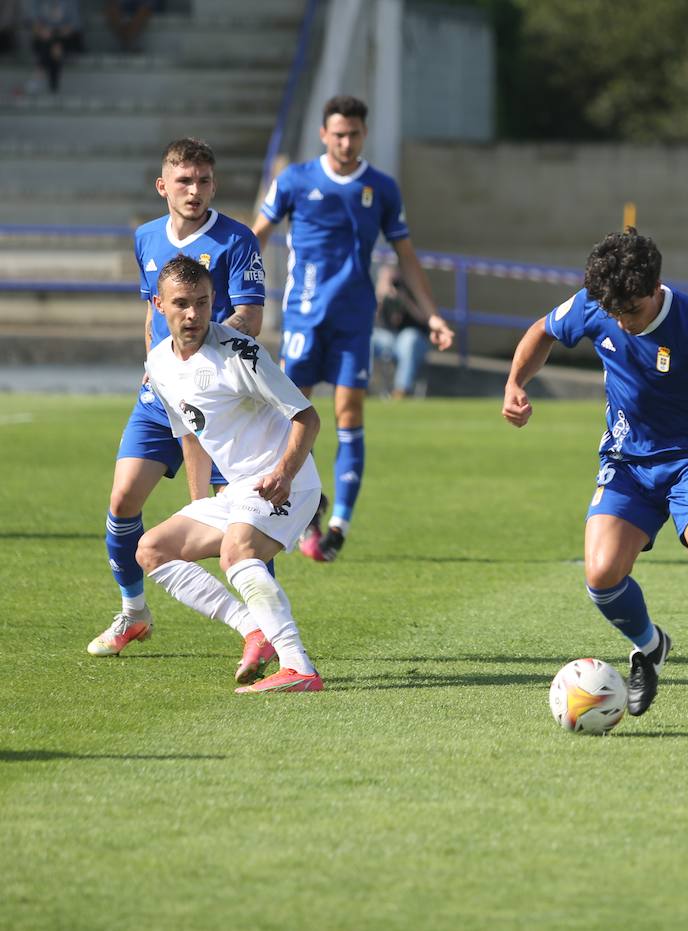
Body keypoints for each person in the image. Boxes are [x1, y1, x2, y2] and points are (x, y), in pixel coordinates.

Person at [503, 228, 688, 740]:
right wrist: (516, 383)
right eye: (612, 312)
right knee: (602, 576)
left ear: (655, 288)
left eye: (629, 311)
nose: (620, 322)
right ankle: (650, 647)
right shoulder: (599, 302)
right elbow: (541, 331)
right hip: (627, 462)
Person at [252, 94, 455, 562]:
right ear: (324, 134)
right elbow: (257, 235)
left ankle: (340, 521)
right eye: (338, 134)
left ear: (364, 136)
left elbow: (406, 255)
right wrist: (231, 289)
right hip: (303, 315)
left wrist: (433, 315)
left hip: (353, 319)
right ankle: (309, 509)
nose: (346, 142)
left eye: (354, 134)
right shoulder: (296, 180)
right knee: (292, 418)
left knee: (348, 411)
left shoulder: (381, 189)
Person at [87, 138, 266, 659]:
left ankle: (265, 631)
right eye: (184, 181)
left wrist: (193, 362)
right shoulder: (145, 238)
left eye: (204, 181)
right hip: (158, 395)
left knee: (240, 524)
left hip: (221, 401)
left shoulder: (238, 240)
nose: (195, 191)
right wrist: (159, 369)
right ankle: (134, 613)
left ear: (214, 184)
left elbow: (249, 320)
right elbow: (153, 316)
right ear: (162, 186)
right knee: (122, 502)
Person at [134, 255, 324, 693]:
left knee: (237, 552)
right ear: (159, 305)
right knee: (153, 550)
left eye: (202, 302)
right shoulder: (160, 365)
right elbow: (192, 437)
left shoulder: (241, 353)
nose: (193, 314)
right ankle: (252, 628)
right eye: (181, 303)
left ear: (213, 300)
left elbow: (307, 418)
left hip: (287, 484)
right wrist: (199, 501)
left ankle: (299, 667)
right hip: (238, 491)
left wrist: (284, 473)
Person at [370, 263, 431, 398]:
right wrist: (379, 296)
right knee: (366, 339)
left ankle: (401, 390)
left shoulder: (414, 290)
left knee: (409, 339)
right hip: (387, 339)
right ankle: (360, 387)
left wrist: (405, 300)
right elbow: (369, 319)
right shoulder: (380, 293)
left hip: (413, 338)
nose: (394, 284)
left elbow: (425, 319)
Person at [25, 0, 82, 92]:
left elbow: (75, 24)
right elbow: (33, 20)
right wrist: (41, 31)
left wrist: (60, 32)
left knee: (54, 43)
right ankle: (53, 84)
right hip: (43, 37)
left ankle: (39, 72)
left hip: (65, 37)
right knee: (54, 46)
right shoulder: (37, 2)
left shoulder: (72, 2)